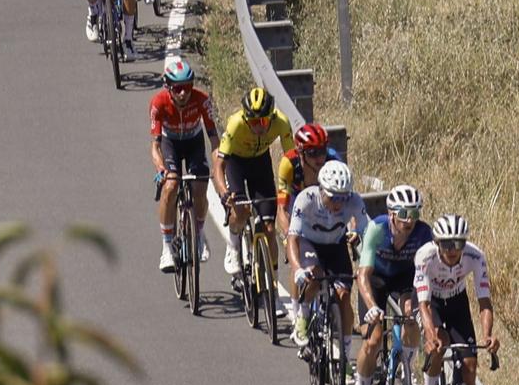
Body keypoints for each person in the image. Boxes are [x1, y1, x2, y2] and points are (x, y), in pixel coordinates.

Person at [351, 185, 433, 385]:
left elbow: (425, 274)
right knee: (374, 339)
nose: (410, 220)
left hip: (404, 280)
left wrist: (420, 304)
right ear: (392, 214)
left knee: (410, 318)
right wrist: (373, 307)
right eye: (405, 213)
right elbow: (362, 275)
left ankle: (405, 367)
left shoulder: (423, 233)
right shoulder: (377, 228)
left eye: (416, 213)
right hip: (375, 280)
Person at [413, 213, 500, 385]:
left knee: (470, 365)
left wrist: (487, 335)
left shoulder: (476, 256)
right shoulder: (425, 256)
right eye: (446, 244)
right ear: (436, 243)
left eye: (458, 243)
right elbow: (423, 305)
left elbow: (484, 302)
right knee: (439, 343)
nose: (452, 249)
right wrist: (430, 334)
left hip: (456, 300)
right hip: (430, 300)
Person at [286, 159, 369, 357]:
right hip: (310, 243)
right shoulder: (306, 199)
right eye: (333, 198)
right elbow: (292, 238)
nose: (339, 204)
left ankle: (346, 357)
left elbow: (366, 230)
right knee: (314, 276)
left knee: (344, 297)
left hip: (335, 246)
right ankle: (303, 316)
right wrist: (297, 268)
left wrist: (358, 235)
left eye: (343, 197)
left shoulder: (354, 201)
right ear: (322, 190)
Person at [150, 54, 220, 272]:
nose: (184, 93)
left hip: (193, 141)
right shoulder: (158, 103)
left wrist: (219, 168)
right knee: (170, 187)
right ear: (168, 87)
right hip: (171, 142)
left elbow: (214, 140)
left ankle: (198, 235)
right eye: (178, 88)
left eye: (188, 87)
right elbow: (155, 146)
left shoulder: (201, 99)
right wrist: (161, 168)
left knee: (200, 187)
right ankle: (166, 247)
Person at [212, 86, 291, 280]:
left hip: (260, 163)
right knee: (241, 211)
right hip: (235, 164)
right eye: (253, 122)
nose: (258, 127)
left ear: (271, 117)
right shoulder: (236, 124)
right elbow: (219, 166)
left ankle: (272, 284)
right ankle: (233, 247)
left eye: (263, 121)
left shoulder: (281, 122)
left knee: (270, 228)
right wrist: (223, 193)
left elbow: (291, 159)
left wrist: (291, 190)